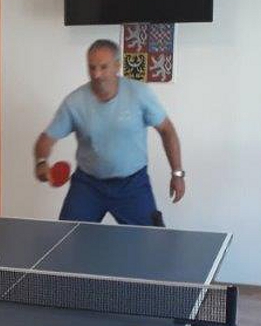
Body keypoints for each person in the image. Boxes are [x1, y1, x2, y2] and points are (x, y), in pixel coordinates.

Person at [34, 39, 185, 224]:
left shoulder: (139, 93)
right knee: (68, 237)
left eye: (103, 67)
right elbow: (46, 139)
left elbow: (167, 131)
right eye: (92, 68)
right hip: (88, 186)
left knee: (148, 239)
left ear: (117, 66)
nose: (96, 74)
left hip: (133, 185)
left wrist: (177, 174)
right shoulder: (74, 102)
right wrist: (41, 162)